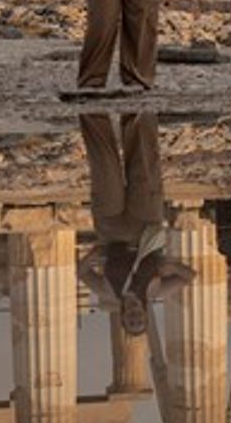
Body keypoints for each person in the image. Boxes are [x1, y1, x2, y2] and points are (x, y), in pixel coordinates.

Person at [79, 112, 194, 338]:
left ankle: (92, 110)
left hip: (110, 228)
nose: (135, 317)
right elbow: (190, 277)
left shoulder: (107, 292)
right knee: (144, 163)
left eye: (130, 321)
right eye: (139, 320)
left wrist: (90, 256)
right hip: (146, 222)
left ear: (122, 317)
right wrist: (171, 266)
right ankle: (139, 109)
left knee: (104, 165)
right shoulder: (156, 290)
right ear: (145, 314)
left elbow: (80, 272)